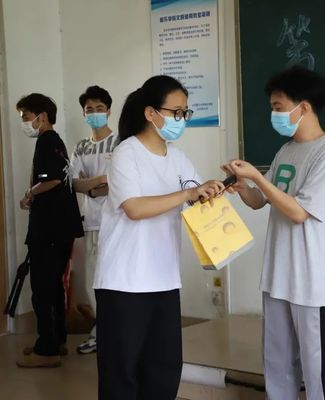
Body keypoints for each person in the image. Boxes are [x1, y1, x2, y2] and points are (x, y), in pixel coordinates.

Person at [222, 66, 325, 400]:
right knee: (277, 366)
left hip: (315, 284)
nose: (274, 114)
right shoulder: (286, 151)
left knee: (320, 371)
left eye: (278, 107)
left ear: (303, 107)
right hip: (279, 277)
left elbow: (298, 212)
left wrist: (257, 177)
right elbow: (259, 201)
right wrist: (243, 185)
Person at [93, 75, 224, 399]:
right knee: (122, 372)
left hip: (163, 279)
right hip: (124, 282)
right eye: (176, 112)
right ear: (150, 113)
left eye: (185, 113)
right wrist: (188, 194)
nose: (182, 119)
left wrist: (214, 190)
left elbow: (195, 196)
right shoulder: (126, 153)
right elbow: (135, 208)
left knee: (164, 368)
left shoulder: (177, 157)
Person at [15, 93, 84, 368]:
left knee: (43, 288)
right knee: (54, 286)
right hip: (59, 227)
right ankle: (56, 341)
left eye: (26, 116)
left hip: (51, 229)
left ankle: (47, 350)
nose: (24, 121)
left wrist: (30, 194)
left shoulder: (48, 141)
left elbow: (53, 179)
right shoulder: (54, 141)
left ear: (41, 116)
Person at [70, 85, 119, 355]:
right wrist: (98, 181)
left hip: (118, 221)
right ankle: (100, 332)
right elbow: (74, 183)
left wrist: (93, 185)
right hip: (91, 221)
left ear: (109, 111)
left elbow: (118, 183)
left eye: (100, 108)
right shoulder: (81, 147)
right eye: (90, 109)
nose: (95, 113)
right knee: (94, 280)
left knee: (116, 280)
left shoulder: (121, 142)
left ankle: (114, 333)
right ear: (83, 113)